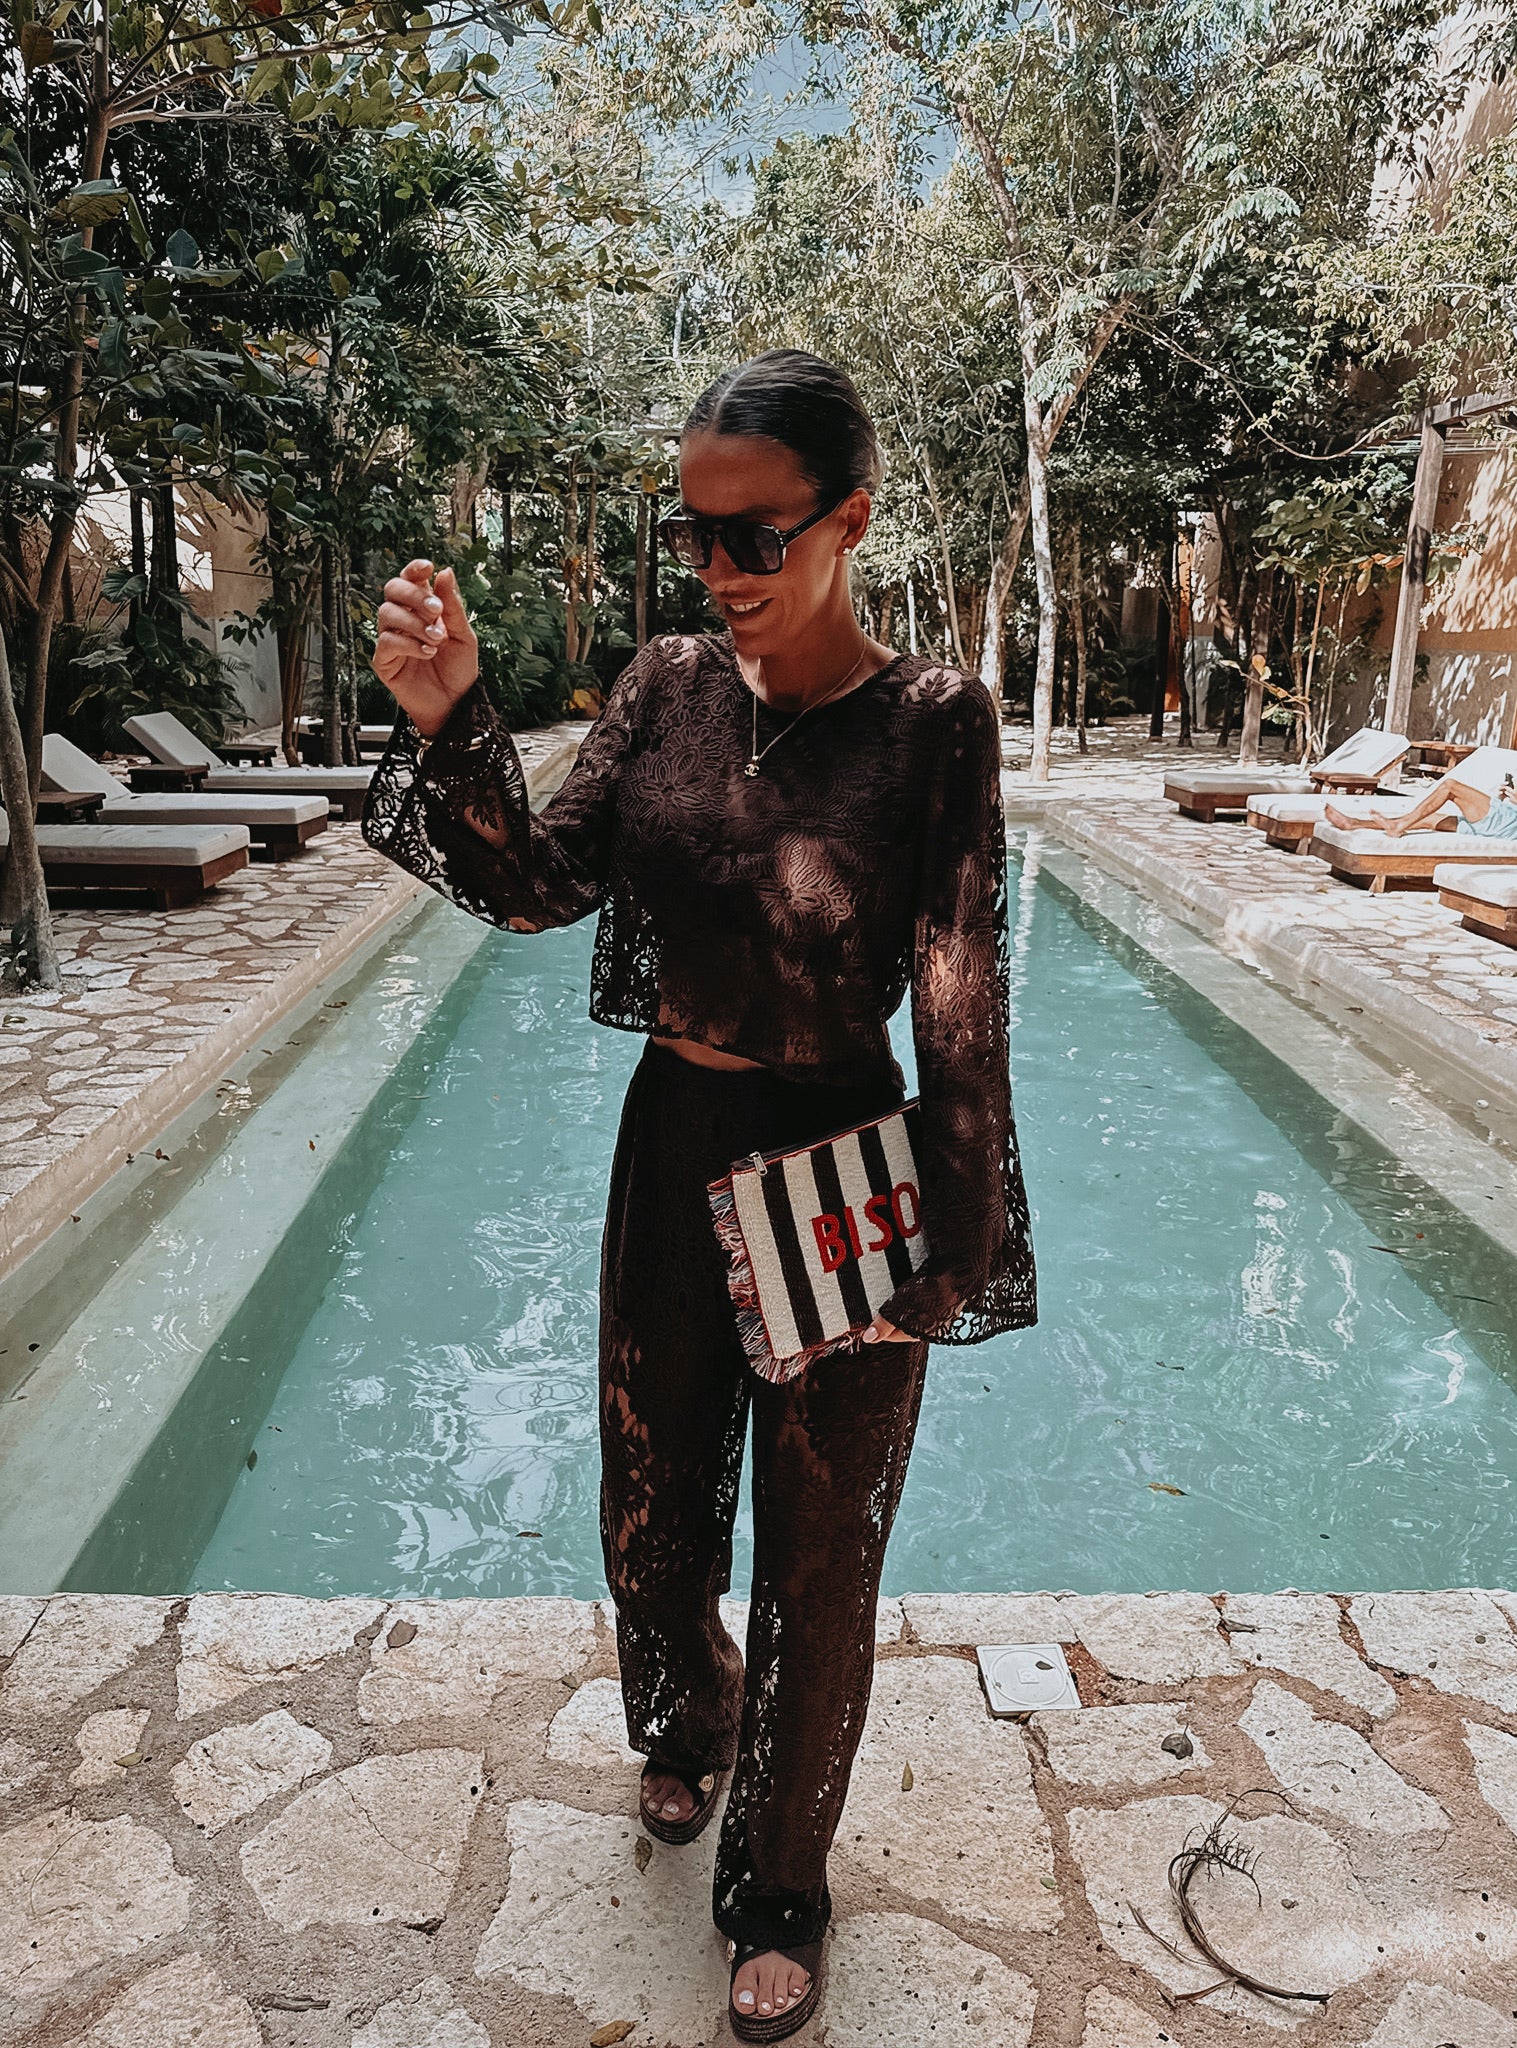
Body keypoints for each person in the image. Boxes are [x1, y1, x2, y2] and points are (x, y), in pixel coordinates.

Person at [363, 349, 1036, 2042]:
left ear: (850, 520)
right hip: (675, 1141)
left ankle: (781, 1889)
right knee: (650, 1503)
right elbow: (540, 883)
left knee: (820, 1550)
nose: (718, 570)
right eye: (696, 536)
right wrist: (449, 723)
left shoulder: (934, 721)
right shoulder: (666, 685)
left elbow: (961, 988)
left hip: (839, 1165)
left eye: (754, 536)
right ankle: (687, 1712)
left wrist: (954, 1241)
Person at [1323, 775, 1517, 840]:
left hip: (1511, 824)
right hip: (1506, 820)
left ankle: (1398, 827)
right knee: (1426, 819)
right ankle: (1355, 823)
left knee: (1450, 786)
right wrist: (1506, 797)